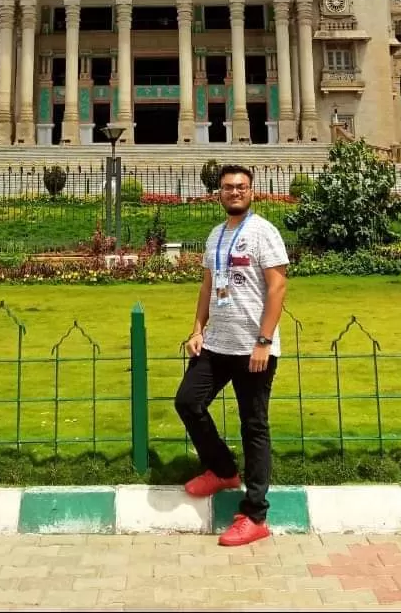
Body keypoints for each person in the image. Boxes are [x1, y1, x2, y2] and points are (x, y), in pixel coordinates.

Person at [174, 163, 288, 546]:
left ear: (251, 192)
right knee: (188, 401)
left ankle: (255, 514)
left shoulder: (263, 232)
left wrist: (264, 341)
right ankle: (223, 469)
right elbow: (208, 285)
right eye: (227, 187)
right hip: (217, 342)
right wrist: (197, 329)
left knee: (254, 425)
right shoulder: (215, 235)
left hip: (252, 347)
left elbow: (278, 287)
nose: (234, 192)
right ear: (218, 193)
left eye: (241, 187)